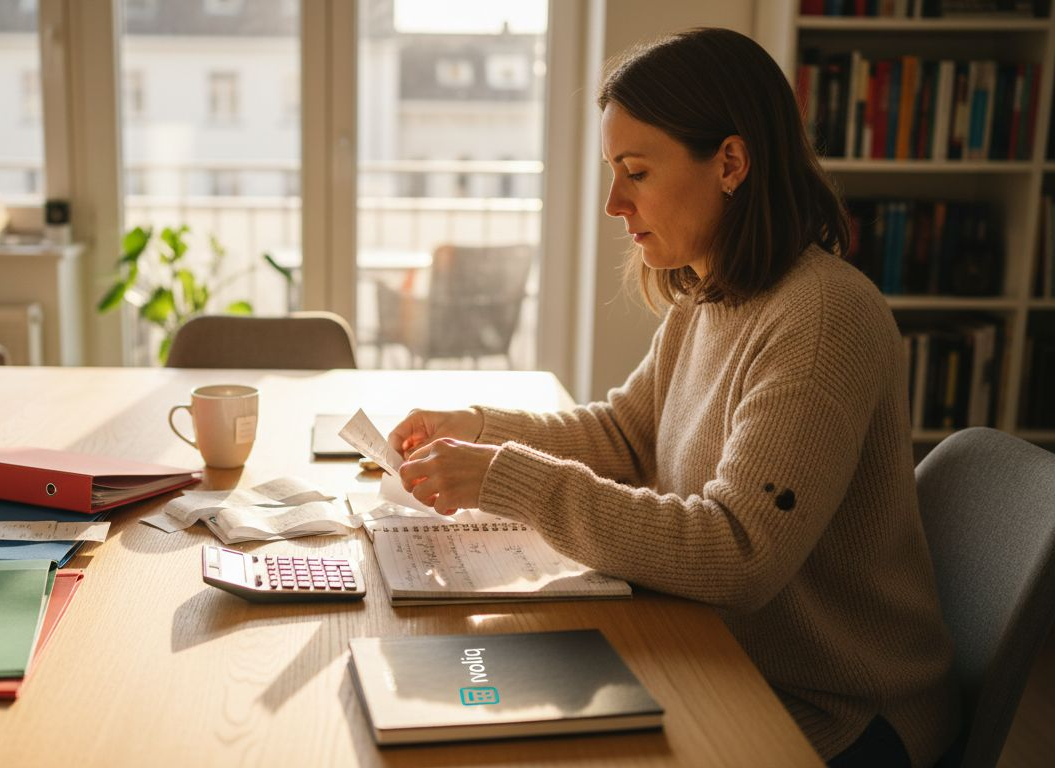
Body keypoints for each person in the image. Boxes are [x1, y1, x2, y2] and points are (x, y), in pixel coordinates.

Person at [388, 28, 960, 768]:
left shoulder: (821, 321)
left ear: (729, 162)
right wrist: (479, 428)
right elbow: (629, 436)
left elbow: (739, 552)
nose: (614, 204)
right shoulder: (711, 292)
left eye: (636, 172)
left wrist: (509, 478)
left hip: (837, 708)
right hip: (724, 654)